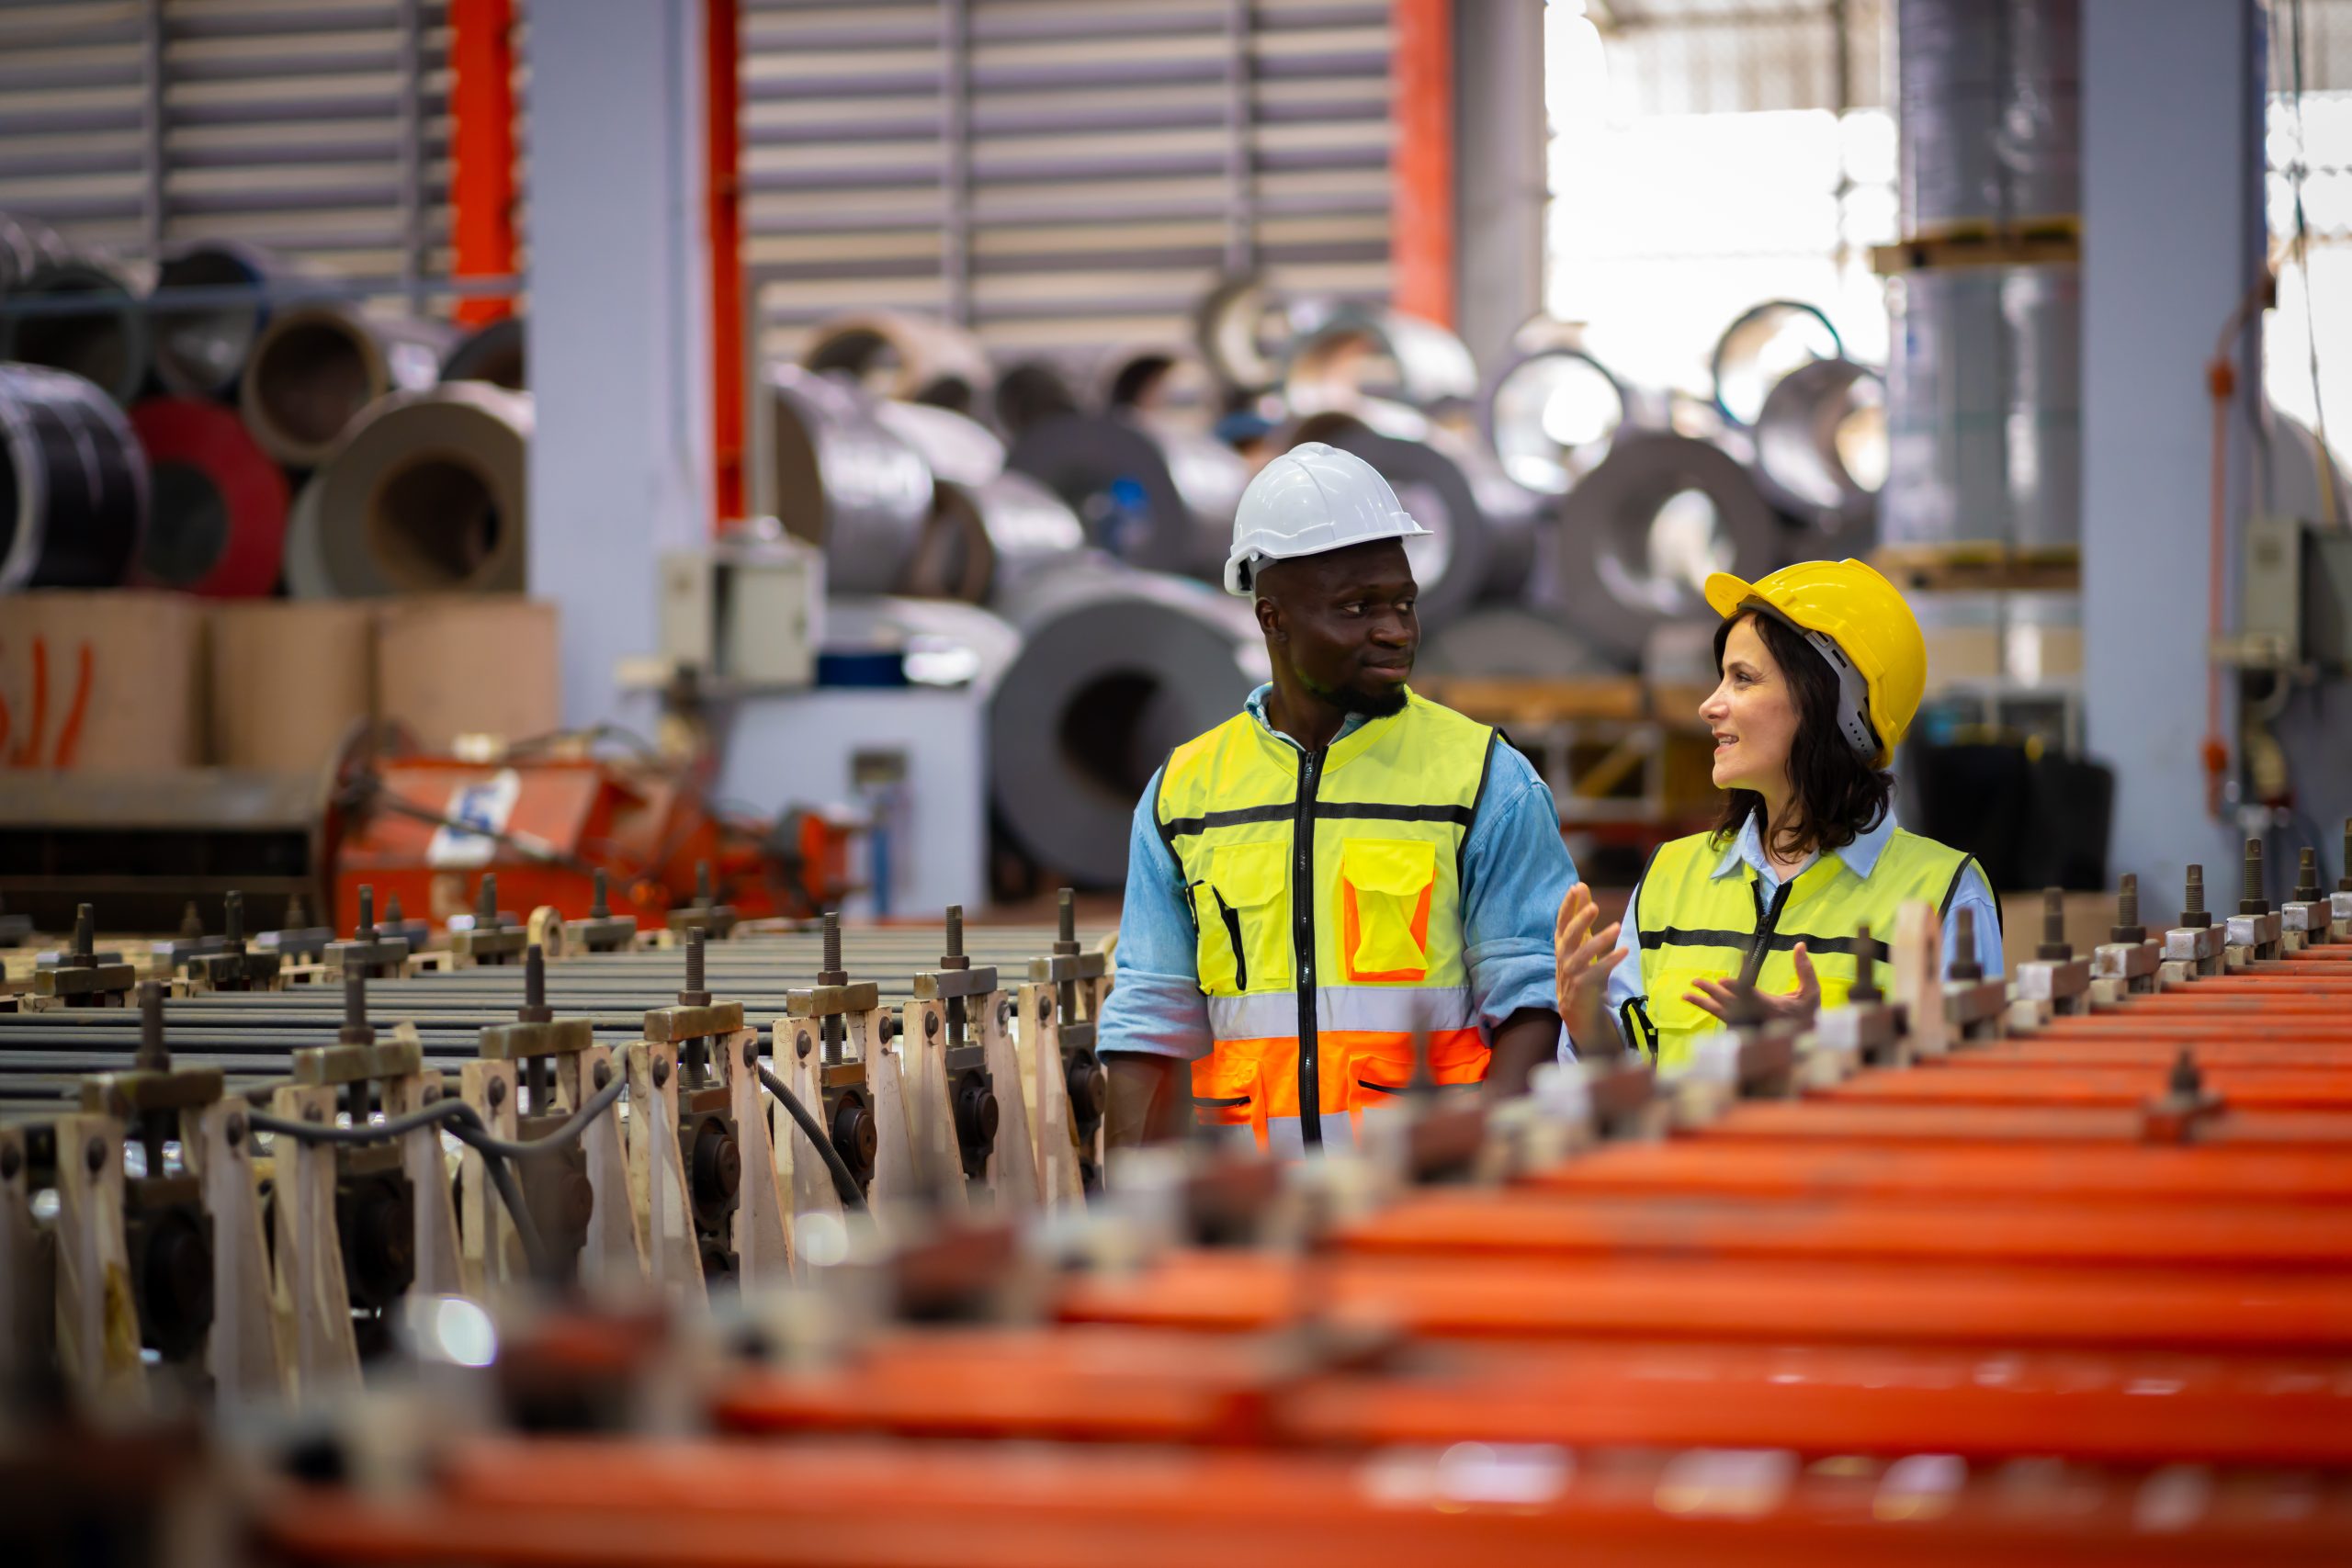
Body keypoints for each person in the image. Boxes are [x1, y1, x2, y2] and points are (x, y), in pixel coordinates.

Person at [1100, 442, 1579, 1155]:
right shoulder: (1184, 794)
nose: (1394, 631)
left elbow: (1536, 1004)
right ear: (1273, 619)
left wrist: (1483, 1169)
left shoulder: (1484, 780)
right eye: (1357, 607)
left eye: (1403, 604)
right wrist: (1142, 1202)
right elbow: (1152, 1020)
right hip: (1250, 1203)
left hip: (1422, 1198)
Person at [1554, 558, 2003, 1067]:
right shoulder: (1668, 879)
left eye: (1743, 679)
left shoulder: (1944, 894)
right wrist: (1585, 1021)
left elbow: (1966, 1100)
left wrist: (1828, 1045)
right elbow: (1618, 1087)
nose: (1709, 705)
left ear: (1831, 703)